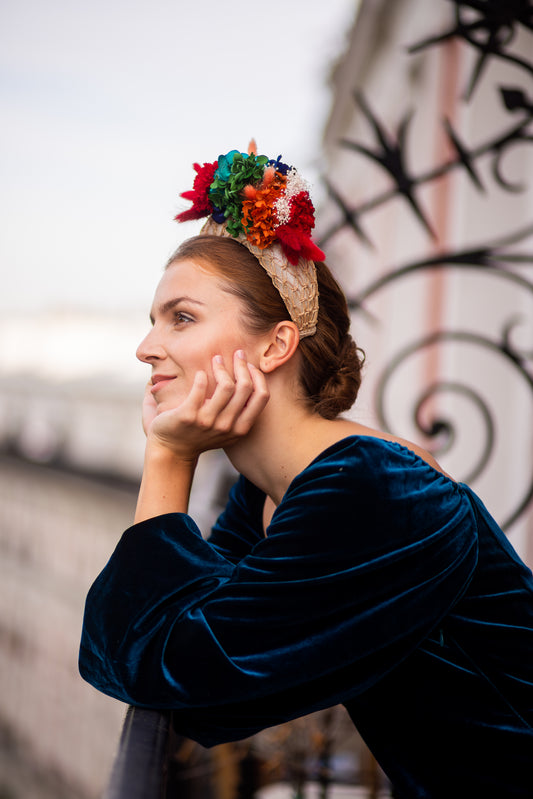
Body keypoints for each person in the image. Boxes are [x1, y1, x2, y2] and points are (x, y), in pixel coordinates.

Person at [79, 143, 533, 798]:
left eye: (181, 318)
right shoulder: (270, 493)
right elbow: (152, 660)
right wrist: (171, 458)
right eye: (154, 321)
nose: (146, 348)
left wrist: (169, 458)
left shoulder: (373, 489)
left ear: (276, 344)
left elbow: (172, 669)